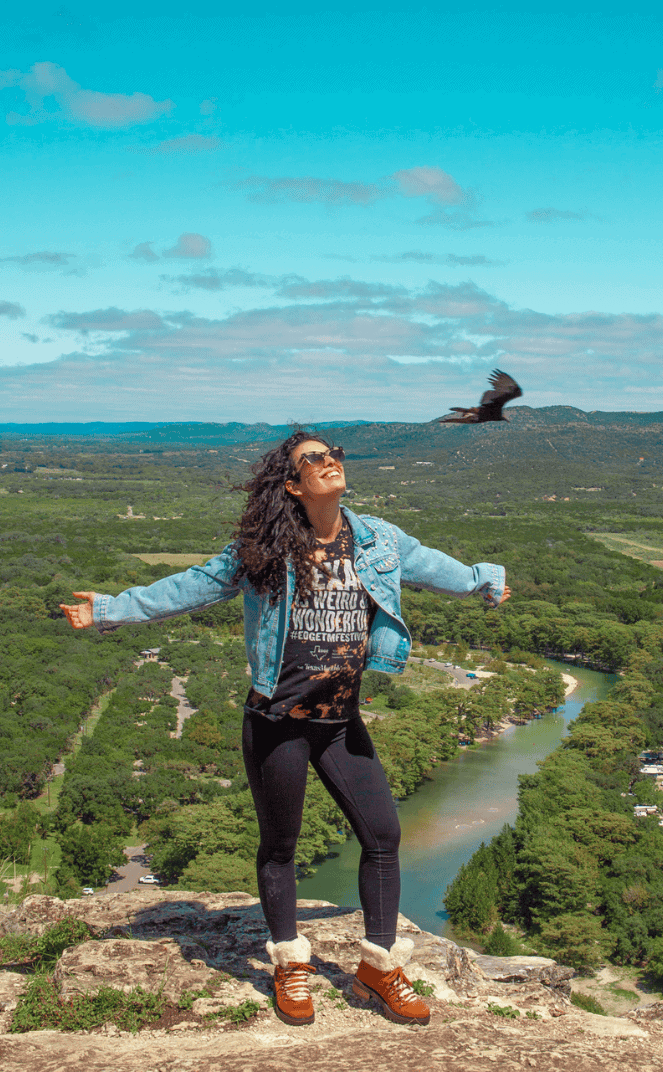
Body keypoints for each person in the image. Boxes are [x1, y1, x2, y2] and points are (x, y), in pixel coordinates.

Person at [61, 431, 510, 1027]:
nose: (331, 463)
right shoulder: (263, 548)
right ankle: (289, 964)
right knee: (280, 847)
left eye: (335, 454)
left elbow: (437, 567)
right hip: (278, 721)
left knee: (383, 835)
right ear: (294, 484)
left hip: (340, 721)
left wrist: (486, 579)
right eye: (314, 459)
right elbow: (190, 586)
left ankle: (377, 966)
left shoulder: (378, 539)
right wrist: (110, 608)